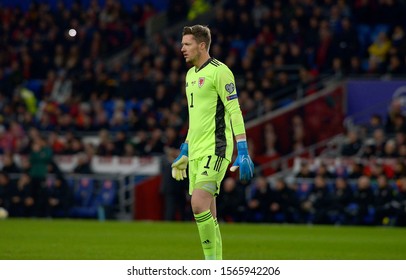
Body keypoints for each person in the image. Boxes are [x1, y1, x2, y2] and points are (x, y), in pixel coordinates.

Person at [171, 25, 254, 260]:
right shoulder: (190, 76)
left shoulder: (220, 72)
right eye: (182, 44)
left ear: (202, 45)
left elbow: (234, 110)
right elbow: (195, 118)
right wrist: (185, 149)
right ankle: (215, 267)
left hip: (216, 148)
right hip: (196, 150)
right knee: (209, 213)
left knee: (197, 204)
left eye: (187, 44)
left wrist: (243, 149)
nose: (182, 49)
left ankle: (209, 263)